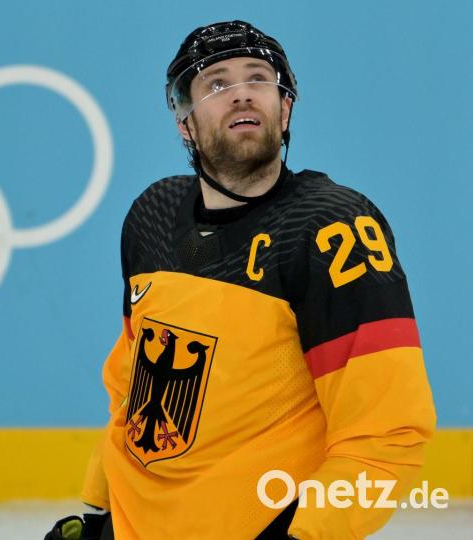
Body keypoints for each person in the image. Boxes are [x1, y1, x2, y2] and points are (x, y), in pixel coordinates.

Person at [45, 20, 436, 540]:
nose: (242, 93)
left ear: (285, 109)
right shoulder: (153, 215)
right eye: (216, 84)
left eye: (258, 78)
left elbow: (388, 434)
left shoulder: (329, 229)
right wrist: (101, 510)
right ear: (185, 123)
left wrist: (303, 534)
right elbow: (132, 387)